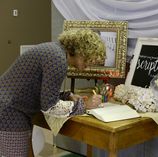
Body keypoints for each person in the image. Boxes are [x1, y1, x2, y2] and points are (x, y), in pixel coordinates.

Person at [0, 29, 106, 157]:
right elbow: (50, 106)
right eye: (88, 60)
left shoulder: (54, 51)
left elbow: (41, 90)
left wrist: (67, 96)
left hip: (11, 106)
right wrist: (84, 105)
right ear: (80, 51)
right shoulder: (58, 60)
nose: (88, 66)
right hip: (11, 111)